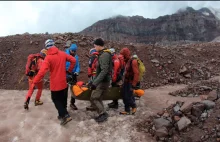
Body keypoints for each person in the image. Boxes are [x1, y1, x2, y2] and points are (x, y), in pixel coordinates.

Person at [32, 39, 76, 125]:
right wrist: (69, 71)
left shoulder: (48, 58)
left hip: (55, 84)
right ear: (54, 45)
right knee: (63, 99)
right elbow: (73, 60)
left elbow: (42, 72)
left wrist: (35, 81)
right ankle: (61, 115)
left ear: (47, 47)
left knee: (55, 99)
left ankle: (65, 116)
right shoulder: (63, 54)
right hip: (64, 82)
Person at [88, 38, 112, 123]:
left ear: (98, 45)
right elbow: (99, 71)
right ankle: (102, 113)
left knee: (94, 97)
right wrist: (93, 81)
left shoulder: (104, 55)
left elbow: (104, 71)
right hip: (102, 80)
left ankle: (103, 114)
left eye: (95, 46)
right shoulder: (102, 54)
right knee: (98, 98)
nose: (94, 47)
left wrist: (95, 83)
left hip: (103, 81)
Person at [119, 47, 139, 115]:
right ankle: (127, 110)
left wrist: (133, 84)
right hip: (126, 81)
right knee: (124, 95)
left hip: (130, 82)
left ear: (126, 54)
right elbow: (125, 73)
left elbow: (136, 73)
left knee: (128, 96)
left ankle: (133, 106)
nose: (122, 57)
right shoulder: (127, 61)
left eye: (123, 55)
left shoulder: (133, 61)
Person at [65, 41, 80, 110]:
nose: (73, 52)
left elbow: (77, 65)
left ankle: (72, 103)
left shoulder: (76, 56)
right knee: (64, 89)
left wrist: (77, 71)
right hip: (66, 74)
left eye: (75, 51)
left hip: (73, 74)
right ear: (70, 49)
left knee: (74, 89)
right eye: (72, 51)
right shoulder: (65, 55)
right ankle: (64, 104)